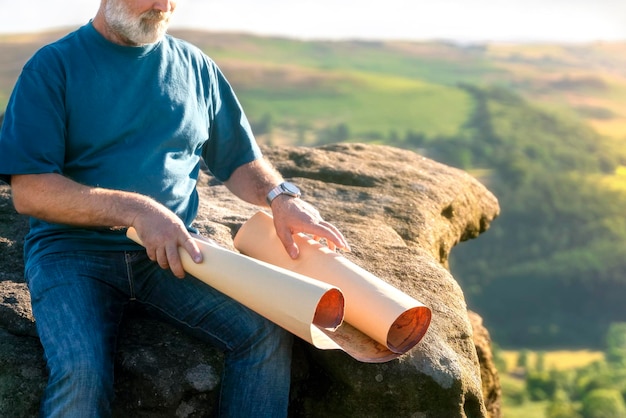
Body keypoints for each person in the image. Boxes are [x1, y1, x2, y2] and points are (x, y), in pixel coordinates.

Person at [0, 0, 350, 417]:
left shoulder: (196, 67)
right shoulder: (52, 67)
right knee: (81, 372)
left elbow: (239, 159)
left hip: (175, 252)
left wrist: (281, 198)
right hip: (72, 254)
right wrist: (136, 211)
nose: (163, 6)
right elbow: (31, 192)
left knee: (265, 331)